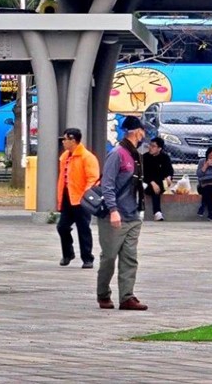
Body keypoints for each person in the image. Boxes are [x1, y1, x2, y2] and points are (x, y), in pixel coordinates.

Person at [96, 115, 147, 311]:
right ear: (136, 131)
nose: (143, 135)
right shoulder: (117, 154)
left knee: (130, 257)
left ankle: (127, 296)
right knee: (109, 257)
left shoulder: (136, 154)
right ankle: (103, 294)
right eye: (141, 131)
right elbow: (107, 185)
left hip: (133, 215)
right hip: (115, 216)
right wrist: (113, 210)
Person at [56, 127, 100, 268]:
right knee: (62, 226)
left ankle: (87, 258)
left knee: (83, 229)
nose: (63, 142)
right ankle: (68, 253)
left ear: (73, 140)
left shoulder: (87, 157)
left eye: (65, 139)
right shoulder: (65, 157)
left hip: (81, 199)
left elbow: (93, 178)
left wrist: (86, 195)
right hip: (68, 197)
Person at [141, 137, 174, 221]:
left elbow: (169, 170)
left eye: (153, 146)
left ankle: (157, 213)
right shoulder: (145, 157)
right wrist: (152, 182)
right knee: (153, 188)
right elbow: (143, 173)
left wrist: (169, 177)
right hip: (146, 183)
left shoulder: (165, 157)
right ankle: (157, 212)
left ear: (159, 148)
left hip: (160, 184)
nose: (150, 147)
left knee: (157, 187)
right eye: (150, 145)